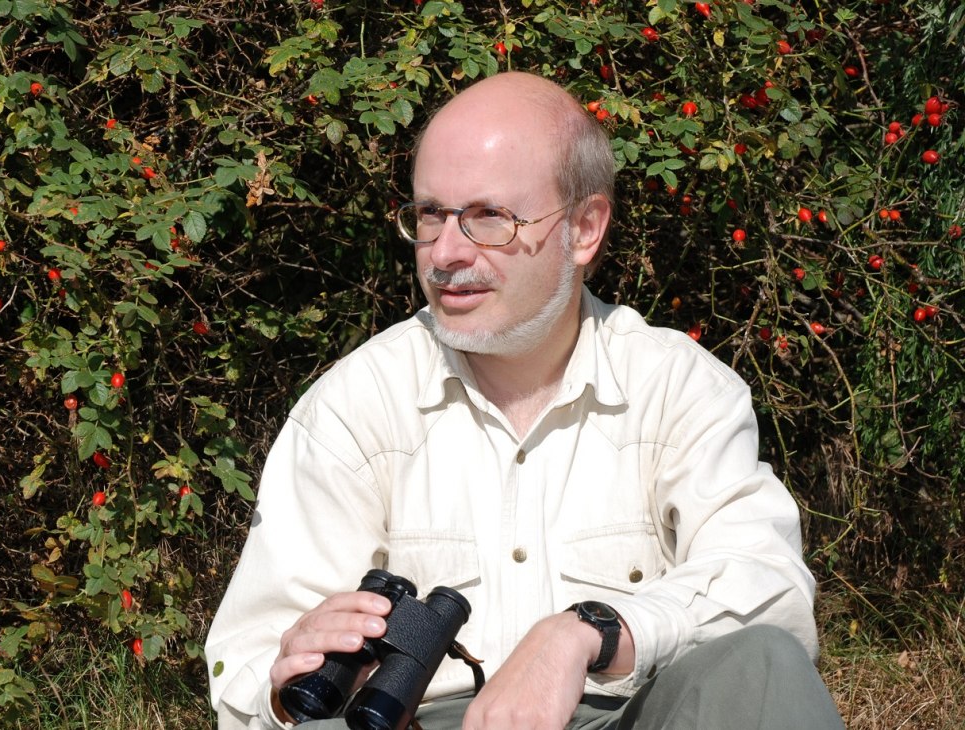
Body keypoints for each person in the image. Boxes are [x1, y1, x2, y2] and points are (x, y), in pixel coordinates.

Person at [205, 71, 844, 730]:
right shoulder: (351, 407)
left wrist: (586, 633)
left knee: (762, 663)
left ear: (585, 228)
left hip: (627, 714)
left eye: (489, 218)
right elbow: (243, 670)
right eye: (430, 215)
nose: (446, 254)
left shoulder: (678, 388)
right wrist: (286, 685)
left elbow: (772, 594)